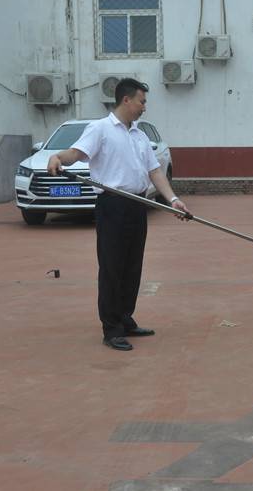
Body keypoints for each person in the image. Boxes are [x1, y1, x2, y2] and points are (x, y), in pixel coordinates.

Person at [47, 78, 191, 352]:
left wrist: (173, 200)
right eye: (142, 101)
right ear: (126, 100)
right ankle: (111, 328)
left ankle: (125, 319)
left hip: (137, 205)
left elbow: (154, 171)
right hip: (112, 206)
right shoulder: (100, 129)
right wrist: (57, 158)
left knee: (132, 267)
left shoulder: (139, 135)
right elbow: (76, 153)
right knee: (112, 268)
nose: (144, 107)